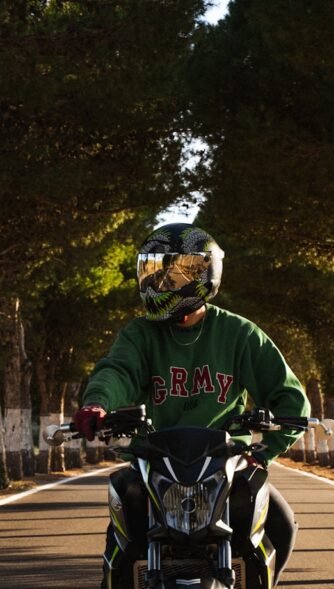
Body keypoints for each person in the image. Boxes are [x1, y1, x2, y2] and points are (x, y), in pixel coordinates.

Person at [71, 223, 310, 588]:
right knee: (119, 547)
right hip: (155, 463)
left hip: (225, 462)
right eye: (153, 272)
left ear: (203, 274)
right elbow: (116, 371)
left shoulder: (240, 333)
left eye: (171, 276)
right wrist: (97, 404)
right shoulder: (140, 335)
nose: (158, 285)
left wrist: (264, 451)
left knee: (281, 524)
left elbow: (289, 396)